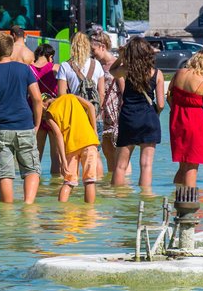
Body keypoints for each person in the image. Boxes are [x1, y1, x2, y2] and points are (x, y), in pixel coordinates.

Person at [0, 32, 42, 204]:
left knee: (4, 174)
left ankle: (7, 211)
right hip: (25, 126)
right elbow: (37, 98)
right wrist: (37, 124)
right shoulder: (25, 69)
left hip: (0, 128)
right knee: (31, 169)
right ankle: (28, 206)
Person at [110, 37, 165, 188]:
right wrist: (156, 113)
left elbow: (111, 71)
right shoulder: (157, 73)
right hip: (149, 118)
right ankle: (145, 198)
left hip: (129, 118)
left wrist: (121, 56)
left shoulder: (126, 70)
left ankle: (118, 196)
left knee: (121, 165)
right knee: (146, 165)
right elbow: (161, 104)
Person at [167, 51, 203, 188]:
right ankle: (188, 200)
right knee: (192, 164)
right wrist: (201, 120)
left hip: (176, 119)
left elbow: (169, 95)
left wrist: (176, 110)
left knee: (182, 163)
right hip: (195, 121)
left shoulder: (180, 73)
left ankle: (176, 196)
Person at [57, 32, 106, 177]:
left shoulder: (65, 66)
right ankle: (97, 186)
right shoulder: (96, 64)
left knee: (73, 156)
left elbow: (62, 96)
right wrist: (95, 110)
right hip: (95, 118)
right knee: (94, 154)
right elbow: (101, 93)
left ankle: (72, 186)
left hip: (75, 119)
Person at [44, 93, 99, 203]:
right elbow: (91, 106)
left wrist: (63, 160)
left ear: (44, 105)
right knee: (89, 181)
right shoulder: (71, 96)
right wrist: (94, 130)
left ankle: (63, 212)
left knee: (68, 182)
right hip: (88, 141)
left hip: (71, 147)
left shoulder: (49, 115)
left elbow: (58, 136)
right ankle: (90, 212)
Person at [90, 32, 124, 175]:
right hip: (101, 114)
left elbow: (123, 91)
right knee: (107, 153)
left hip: (115, 112)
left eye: (93, 50)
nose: (91, 53)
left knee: (121, 155)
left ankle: (123, 187)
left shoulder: (116, 64)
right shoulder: (95, 65)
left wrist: (123, 114)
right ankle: (111, 187)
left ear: (102, 47)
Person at [30, 43, 61, 173]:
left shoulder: (28, 69)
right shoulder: (55, 68)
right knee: (55, 157)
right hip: (52, 113)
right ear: (50, 56)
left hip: (35, 114)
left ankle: (36, 185)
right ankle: (55, 186)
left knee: (35, 156)